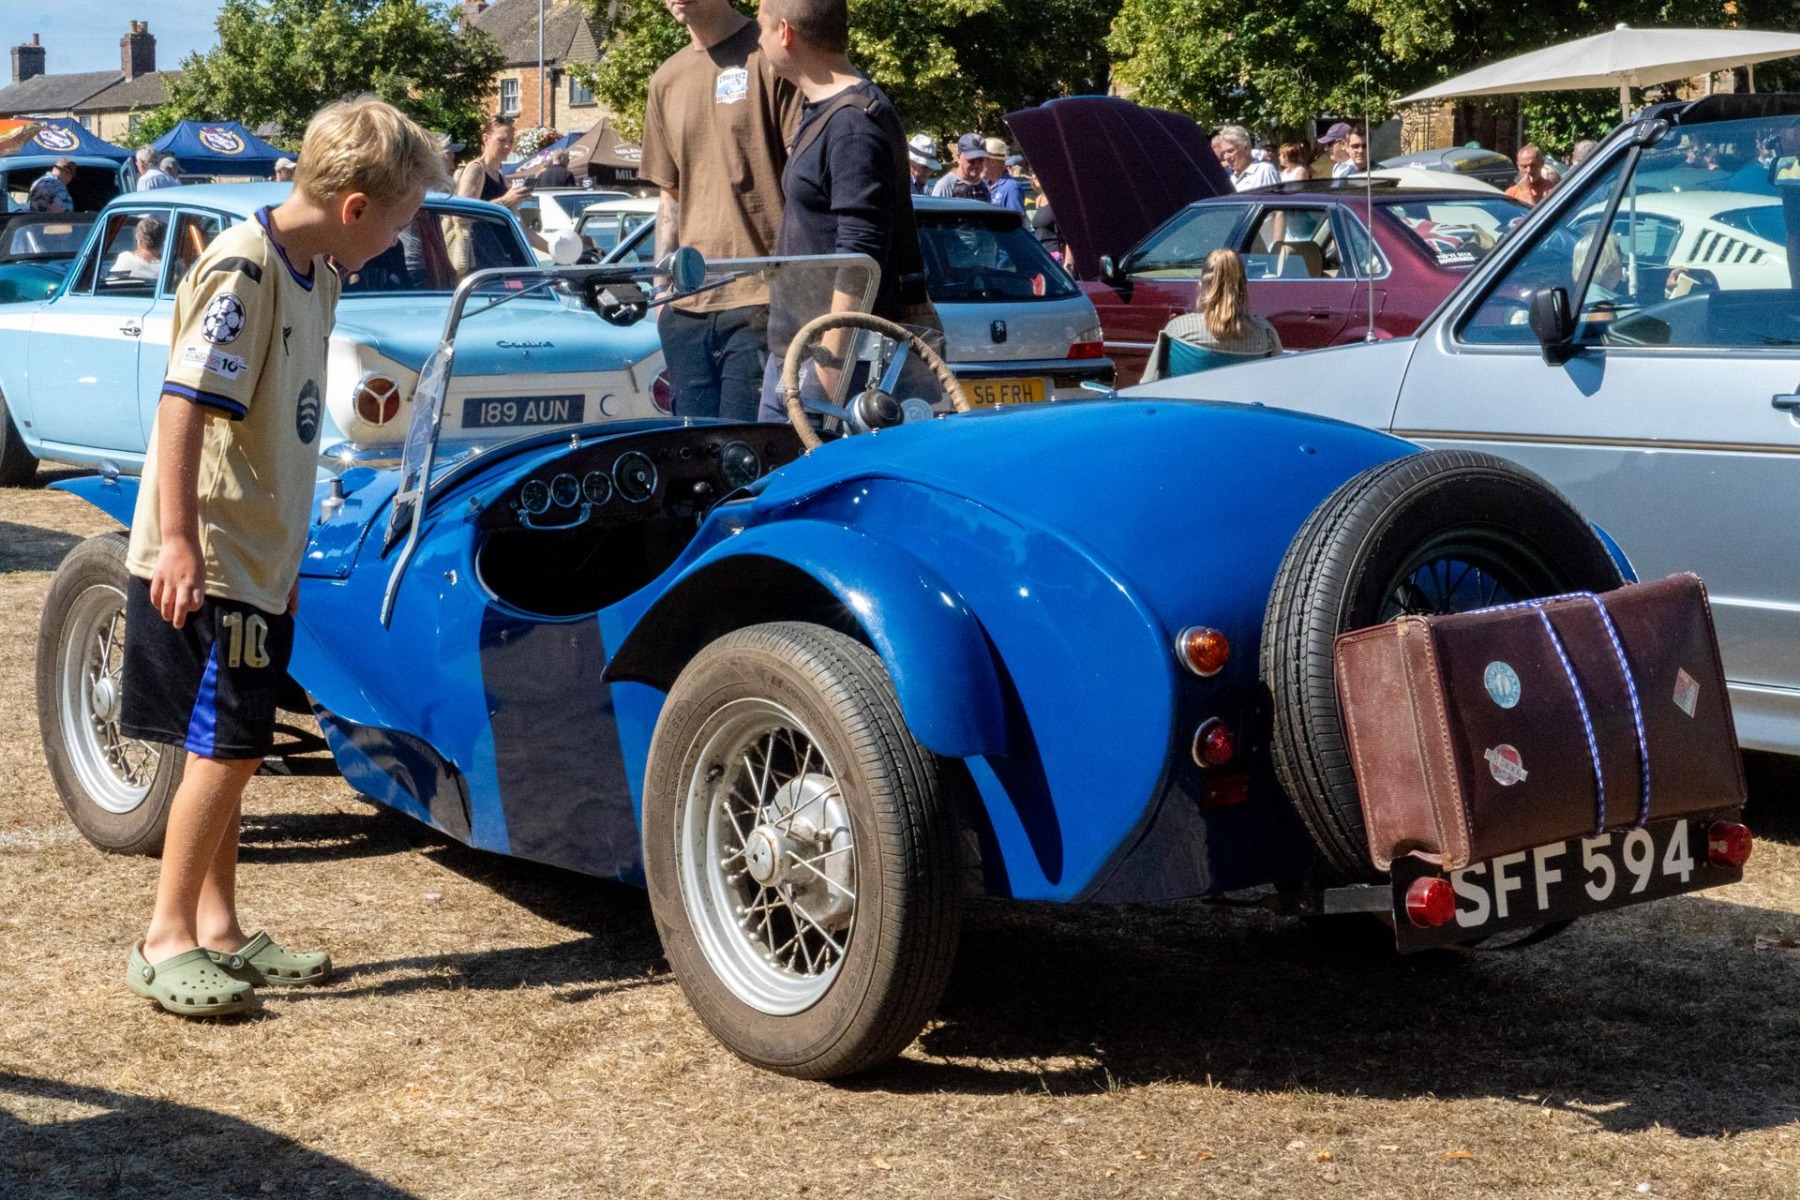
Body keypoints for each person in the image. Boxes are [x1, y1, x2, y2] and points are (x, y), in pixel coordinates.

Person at [119, 96, 447, 1018]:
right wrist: (179, 542)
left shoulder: (320, 276)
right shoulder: (246, 269)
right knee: (226, 747)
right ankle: (164, 937)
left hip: (261, 559)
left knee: (233, 749)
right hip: (211, 557)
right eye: (400, 221)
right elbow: (184, 404)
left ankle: (219, 927)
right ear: (355, 207)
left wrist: (288, 560)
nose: (399, 238)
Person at [752, 0, 931, 424]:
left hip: (833, 367)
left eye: (761, 27)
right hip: (801, 353)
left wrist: (828, 373)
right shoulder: (828, 112)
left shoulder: (852, 125)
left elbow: (859, 256)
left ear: (785, 32)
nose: (757, 41)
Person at [639, 0, 800, 422]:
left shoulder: (774, 56)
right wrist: (661, 289)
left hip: (762, 300)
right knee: (691, 451)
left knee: (746, 451)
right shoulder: (666, 79)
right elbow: (670, 196)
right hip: (686, 305)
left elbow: (807, 182)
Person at [1160, 248, 1282, 361]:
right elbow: (1278, 375)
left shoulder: (1177, 329)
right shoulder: (1266, 334)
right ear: (1244, 287)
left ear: (1201, 286)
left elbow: (1153, 376)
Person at [455, 115, 529, 210]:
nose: (507, 146)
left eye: (511, 141)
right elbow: (462, 211)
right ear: (486, 139)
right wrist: (505, 200)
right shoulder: (476, 169)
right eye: (502, 140)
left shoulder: (501, 177)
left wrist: (516, 201)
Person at [931, 133, 991, 202]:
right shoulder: (946, 186)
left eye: (981, 160)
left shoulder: (983, 187)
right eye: (972, 160)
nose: (977, 165)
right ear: (959, 157)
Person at [1216, 125, 1278, 191]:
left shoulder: (1264, 171)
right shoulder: (1231, 178)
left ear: (1245, 148)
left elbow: (1275, 197)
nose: (1226, 157)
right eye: (1224, 153)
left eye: (1230, 151)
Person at [109, 215, 165, 283]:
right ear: (162, 241)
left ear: (137, 238)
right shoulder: (169, 267)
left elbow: (109, 282)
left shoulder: (125, 259)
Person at [982, 136, 1025, 213]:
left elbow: (1016, 218)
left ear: (992, 162)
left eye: (981, 160)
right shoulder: (983, 184)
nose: (977, 164)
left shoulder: (1011, 187)